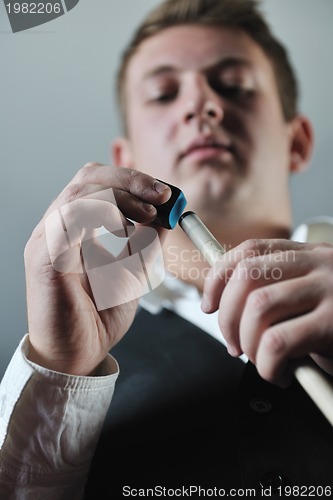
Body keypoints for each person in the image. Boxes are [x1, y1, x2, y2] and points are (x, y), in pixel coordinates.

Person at [1, 0, 333, 497]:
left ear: (298, 141)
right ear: (125, 159)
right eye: (162, 94)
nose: (200, 104)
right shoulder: (76, 353)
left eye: (234, 86)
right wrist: (58, 372)